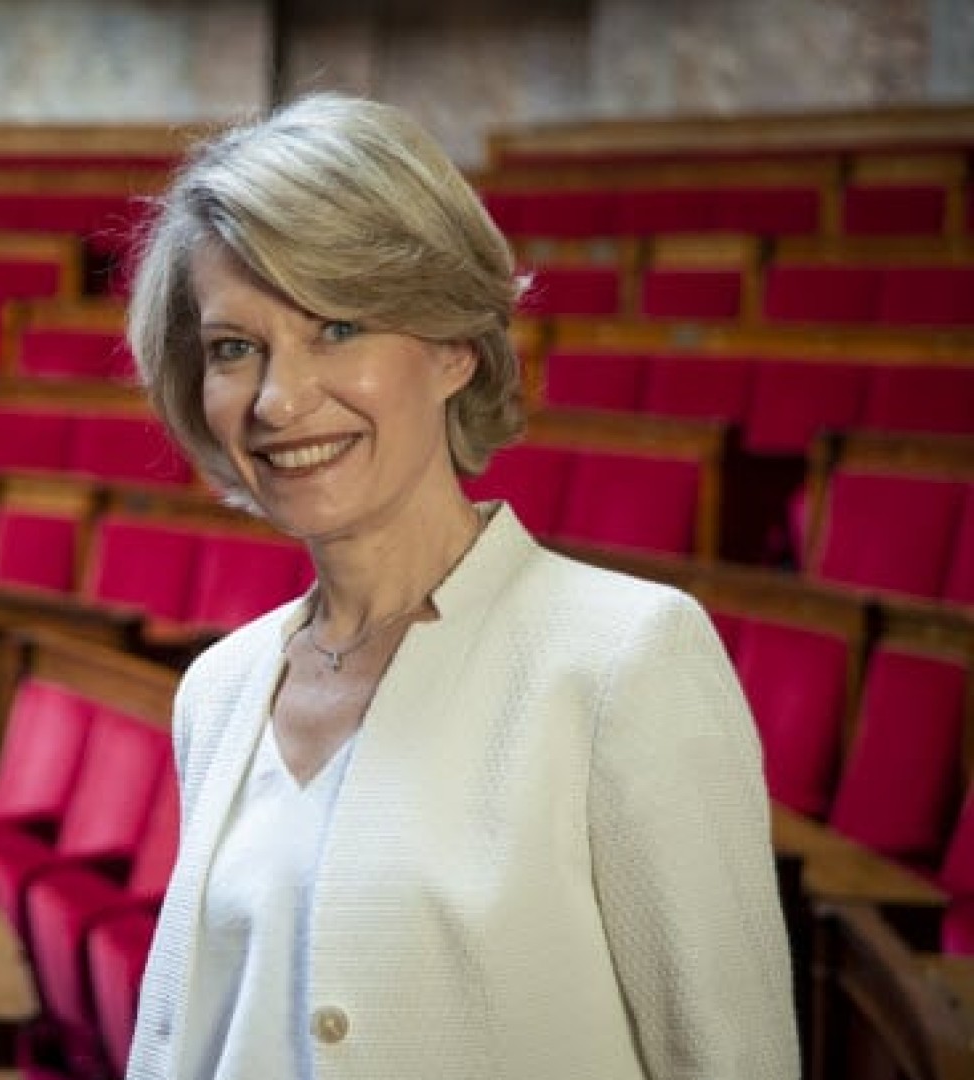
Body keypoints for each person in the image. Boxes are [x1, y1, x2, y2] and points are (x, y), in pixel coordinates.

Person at [122, 93, 797, 1080]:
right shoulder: (218, 690)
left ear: (453, 347)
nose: (278, 399)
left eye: (337, 327)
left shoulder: (624, 661)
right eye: (235, 348)